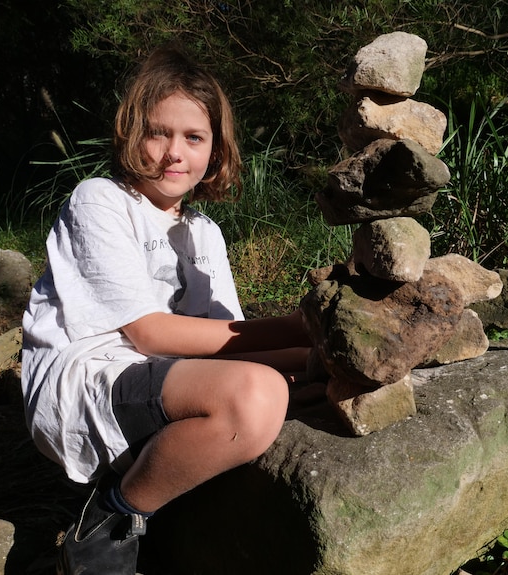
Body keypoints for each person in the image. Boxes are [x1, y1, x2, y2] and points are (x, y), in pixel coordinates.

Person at [21, 44, 311, 575]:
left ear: (215, 151)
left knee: (293, 380)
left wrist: (309, 346)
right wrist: (296, 333)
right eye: (159, 133)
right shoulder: (100, 199)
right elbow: (149, 333)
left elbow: (224, 335)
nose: (174, 153)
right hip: (92, 377)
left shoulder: (205, 232)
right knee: (258, 394)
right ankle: (109, 518)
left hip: (165, 378)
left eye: (194, 138)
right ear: (132, 136)